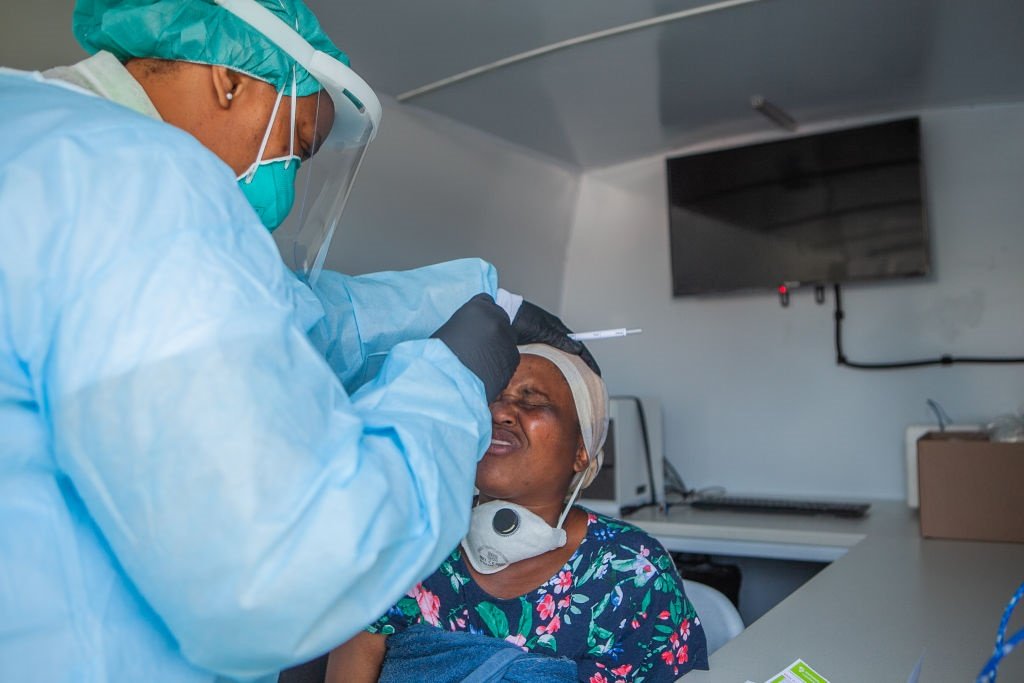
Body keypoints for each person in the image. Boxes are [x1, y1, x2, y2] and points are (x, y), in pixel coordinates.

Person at [0, 1, 598, 681]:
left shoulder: (40, 138)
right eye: (298, 146)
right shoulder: (151, 179)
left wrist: (482, 297)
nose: (286, 180)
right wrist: (449, 380)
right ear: (230, 80)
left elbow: (295, 317)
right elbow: (271, 573)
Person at [320, 345, 709, 683]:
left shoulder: (632, 570)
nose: (501, 411)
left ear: (582, 451)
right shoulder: (405, 542)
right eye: (491, 395)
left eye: (532, 399)